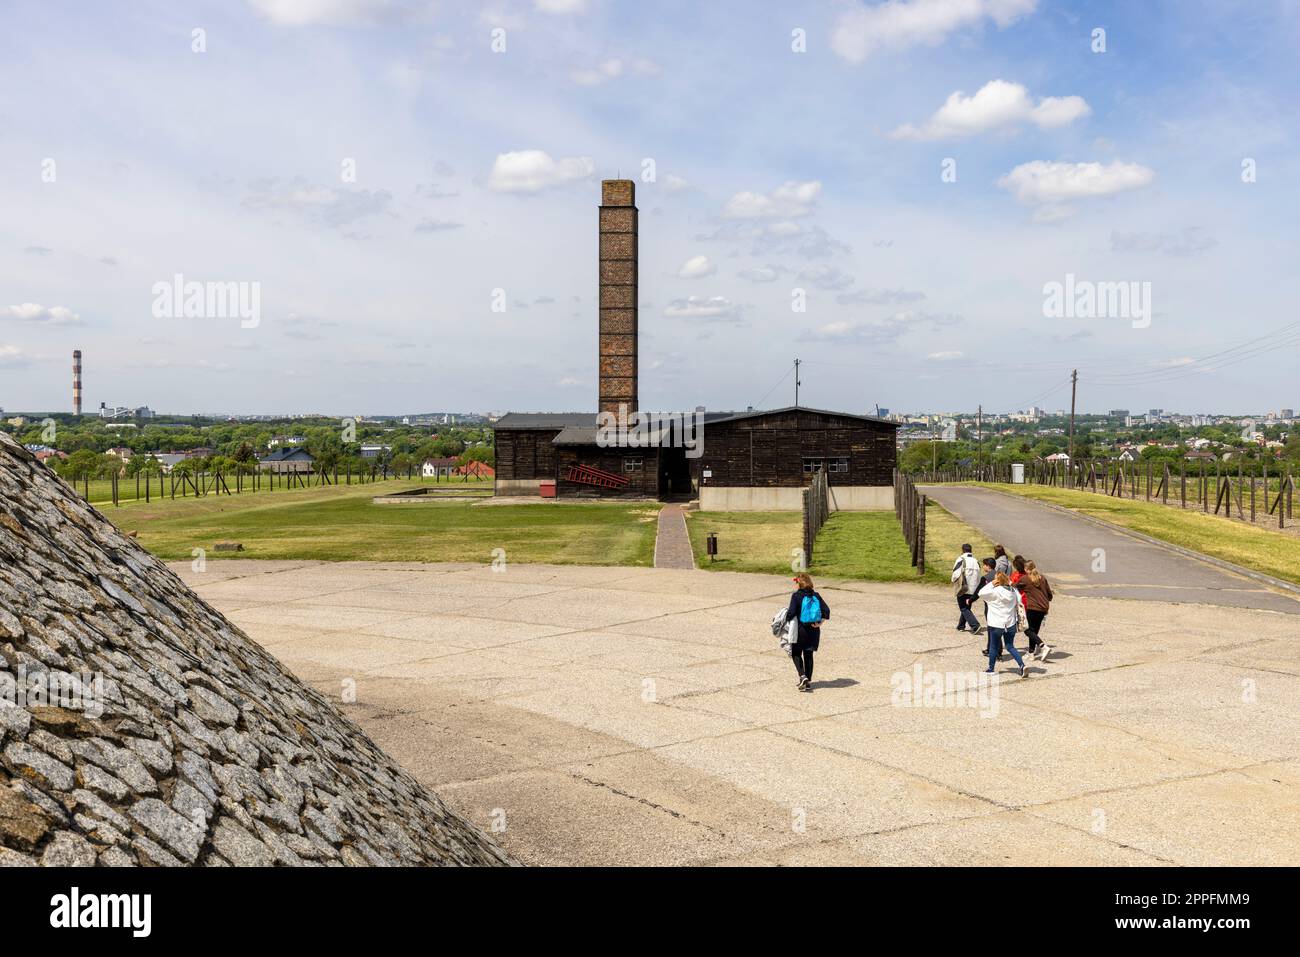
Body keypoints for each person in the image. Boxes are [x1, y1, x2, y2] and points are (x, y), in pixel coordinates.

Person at [976, 571, 1027, 677]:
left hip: (996, 623)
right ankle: (1022, 665)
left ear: (997, 581)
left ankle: (991, 668)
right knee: (1010, 646)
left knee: (993, 647)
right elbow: (1020, 599)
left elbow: (981, 593)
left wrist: (991, 584)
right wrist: (1010, 583)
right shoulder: (1013, 591)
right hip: (1010, 623)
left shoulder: (995, 592)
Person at [787, 572, 830, 691]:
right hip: (814, 630)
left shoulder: (796, 596)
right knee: (808, 654)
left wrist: (786, 619)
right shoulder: (816, 595)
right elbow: (826, 611)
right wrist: (819, 623)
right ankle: (807, 680)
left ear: (799, 584)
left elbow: (791, 613)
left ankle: (802, 676)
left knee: (795, 653)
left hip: (800, 630)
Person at [1021, 560, 1054, 660]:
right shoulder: (1042, 578)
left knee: (1027, 630)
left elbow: (1014, 587)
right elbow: (1050, 595)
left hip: (1033, 607)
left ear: (1026, 569)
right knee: (1034, 631)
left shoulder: (1025, 579)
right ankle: (1031, 652)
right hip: (1043, 608)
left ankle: (1043, 646)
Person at [951, 544, 982, 635]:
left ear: (962, 550)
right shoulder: (976, 561)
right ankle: (961, 625)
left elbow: (956, 573)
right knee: (967, 607)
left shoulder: (961, 559)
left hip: (963, 587)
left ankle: (975, 625)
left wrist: (953, 581)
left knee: (963, 608)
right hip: (973, 588)